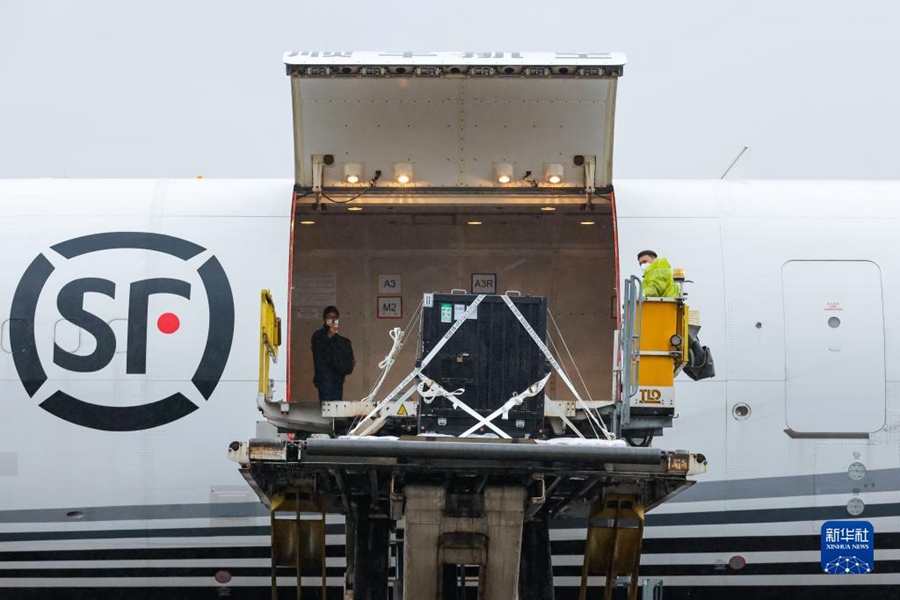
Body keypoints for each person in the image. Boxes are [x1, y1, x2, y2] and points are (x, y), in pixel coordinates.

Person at [311, 306, 355, 401]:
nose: (332, 319)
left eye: (335, 317)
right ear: (324, 318)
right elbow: (320, 352)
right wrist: (330, 335)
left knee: (336, 407)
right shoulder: (318, 335)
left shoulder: (341, 341)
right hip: (324, 379)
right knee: (327, 407)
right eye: (330, 317)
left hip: (337, 380)